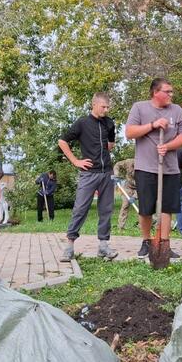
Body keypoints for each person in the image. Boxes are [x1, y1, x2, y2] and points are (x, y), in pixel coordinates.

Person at [126, 78, 182, 259]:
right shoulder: (139, 108)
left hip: (169, 168)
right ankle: (147, 241)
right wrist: (153, 125)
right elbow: (129, 132)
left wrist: (168, 147)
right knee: (146, 208)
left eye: (172, 91)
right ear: (156, 92)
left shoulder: (176, 110)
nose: (171, 95)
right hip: (145, 167)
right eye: (167, 91)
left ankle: (164, 243)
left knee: (167, 208)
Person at [58, 93, 118, 261]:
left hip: (106, 173)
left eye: (108, 107)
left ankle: (103, 246)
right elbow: (62, 141)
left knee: (106, 210)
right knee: (80, 208)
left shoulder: (109, 123)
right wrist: (76, 161)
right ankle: (69, 246)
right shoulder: (82, 123)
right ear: (94, 105)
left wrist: (103, 151)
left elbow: (111, 144)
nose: (106, 110)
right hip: (88, 174)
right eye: (103, 107)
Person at [113, 158, 137, 230]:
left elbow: (145, 185)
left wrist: (135, 196)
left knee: (144, 207)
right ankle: (121, 226)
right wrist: (116, 175)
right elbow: (117, 165)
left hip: (140, 188)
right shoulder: (128, 162)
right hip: (128, 187)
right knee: (125, 205)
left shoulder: (145, 169)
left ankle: (150, 223)